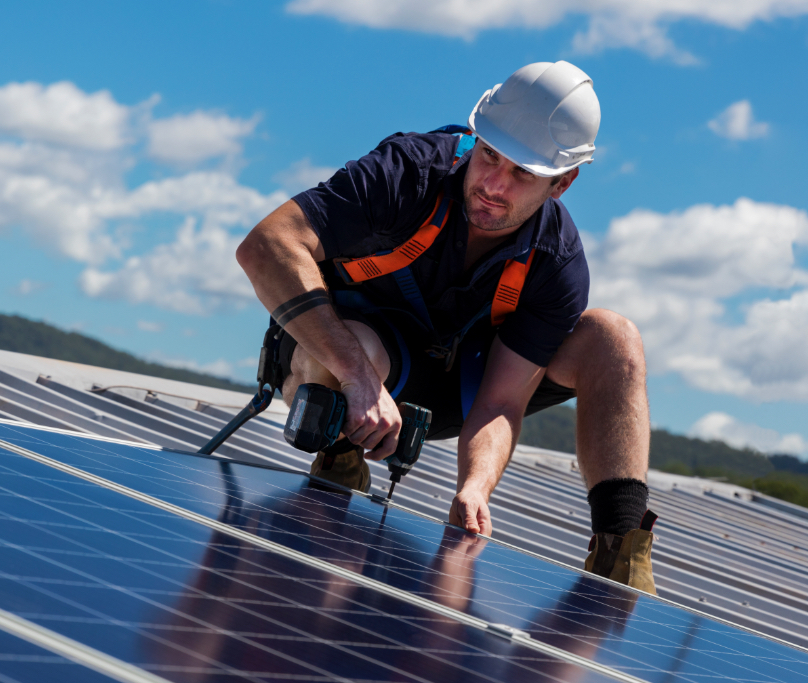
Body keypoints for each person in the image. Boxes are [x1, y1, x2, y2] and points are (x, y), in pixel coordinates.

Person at [235, 62, 656, 592]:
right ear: (475, 138)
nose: (493, 186)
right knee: (359, 350)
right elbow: (267, 245)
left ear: (563, 183)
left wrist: (476, 487)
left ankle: (621, 563)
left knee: (613, 339)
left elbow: (501, 403)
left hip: (460, 388)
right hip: (354, 364)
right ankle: (340, 459)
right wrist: (358, 376)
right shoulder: (407, 172)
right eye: (489, 157)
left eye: (522, 174)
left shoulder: (556, 262)